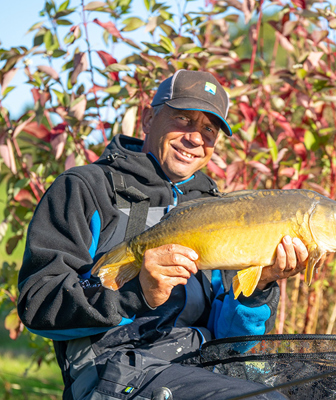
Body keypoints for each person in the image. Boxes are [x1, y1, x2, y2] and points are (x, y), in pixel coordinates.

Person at [18, 70, 312, 400]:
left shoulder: (218, 210)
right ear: (147, 118)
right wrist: (136, 291)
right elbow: (37, 305)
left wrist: (260, 285)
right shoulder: (86, 188)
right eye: (183, 120)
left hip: (200, 366)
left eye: (209, 130)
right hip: (110, 372)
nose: (195, 138)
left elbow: (231, 341)